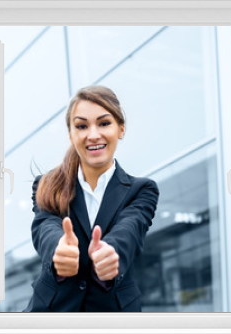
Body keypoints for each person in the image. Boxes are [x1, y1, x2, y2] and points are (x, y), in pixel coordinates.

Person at [23, 85, 159, 312]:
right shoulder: (46, 184)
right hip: (52, 312)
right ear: (71, 135)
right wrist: (59, 248)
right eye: (82, 126)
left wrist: (111, 251)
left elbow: (130, 229)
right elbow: (45, 226)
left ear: (121, 129)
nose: (93, 134)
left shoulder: (142, 190)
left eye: (104, 123)